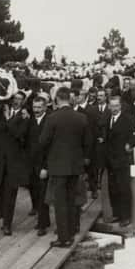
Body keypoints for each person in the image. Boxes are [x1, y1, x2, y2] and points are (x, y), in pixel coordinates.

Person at [39, 87, 91, 247]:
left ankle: (63, 238)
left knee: (60, 203)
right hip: (75, 166)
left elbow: (43, 142)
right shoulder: (81, 118)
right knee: (71, 200)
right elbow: (88, 142)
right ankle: (71, 232)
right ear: (70, 98)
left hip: (58, 167)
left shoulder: (52, 118)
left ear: (57, 100)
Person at [0, 92, 30, 235]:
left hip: (14, 162)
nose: (16, 101)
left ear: (24, 102)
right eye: (15, 99)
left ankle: (7, 224)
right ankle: (4, 216)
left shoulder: (24, 117)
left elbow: (18, 134)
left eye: (20, 99)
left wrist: (8, 120)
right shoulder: (1, 113)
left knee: (10, 195)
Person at [105, 95, 135, 227]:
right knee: (113, 188)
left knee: (123, 188)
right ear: (109, 106)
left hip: (123, 160)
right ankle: (117, 214)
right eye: (112, 106)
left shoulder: (128, 119)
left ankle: (126, 216)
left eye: (116, 106)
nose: (114, 109)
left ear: (120, 106)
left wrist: (131, 144)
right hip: (110, 160)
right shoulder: (107, 118)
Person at [26, 96, 51, 236]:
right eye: (34, 107)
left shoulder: (49, 121)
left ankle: (42, 224)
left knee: (42, 195)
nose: (36, 110)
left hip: (43, 164)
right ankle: (44, 220)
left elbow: (51, 146)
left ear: (45, 107)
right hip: (31, 163)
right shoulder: (30, 120)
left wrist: (45, 167)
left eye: (39, 107)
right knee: (35, 192)